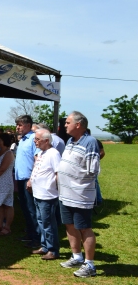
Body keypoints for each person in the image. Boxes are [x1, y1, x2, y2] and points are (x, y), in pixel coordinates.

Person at [58, 112, 100, 278]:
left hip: (80, 195)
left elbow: (93, 170)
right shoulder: (70, 141)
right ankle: (76, 256)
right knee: (69, 225)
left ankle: (89, 265)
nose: (65, 125)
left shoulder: (90, 142)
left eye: (68, 122)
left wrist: (77, 183)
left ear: (78, 125)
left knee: (84, 228)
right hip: (65, 194)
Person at [28, 128, 61, 261]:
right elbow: (36, 169)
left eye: (37, 139)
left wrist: (59, 191)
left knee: (48, 223)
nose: (35, 141)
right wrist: (31, 181)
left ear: (46, 141)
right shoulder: (42, 153)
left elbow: (58, 173)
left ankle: (53, 249)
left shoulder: (53, 154)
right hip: (38, 193)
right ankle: (45, 246)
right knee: (41, 220)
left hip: (47, 195)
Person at [14, 115, 39, 248]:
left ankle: (36, 238)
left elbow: (37, 160)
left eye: (20, 125)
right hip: (20, 178)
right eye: (17, 125)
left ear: (28, 125)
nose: (18, 127)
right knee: (24, 208)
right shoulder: (22, 140)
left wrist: (31, 179)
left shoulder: (33, 139)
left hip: (29, 180)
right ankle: (30, 233)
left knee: (31, 209)